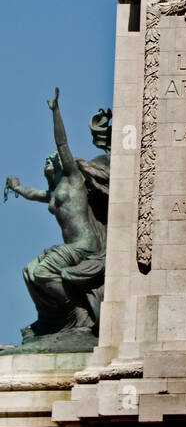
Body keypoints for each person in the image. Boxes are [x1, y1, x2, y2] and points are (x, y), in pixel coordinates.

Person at [4, 90, 108, 340]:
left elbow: (62, 144)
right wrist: (16, 187)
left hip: (84, 245)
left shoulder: (72, 180)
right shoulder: (53, 193)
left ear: (61, 165)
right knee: (29, 271)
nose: (46, 164)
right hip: (71, 246)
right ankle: (54, 320)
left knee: (43, 272)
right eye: (45, 163)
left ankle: (78, 314)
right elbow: (34, 194)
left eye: (51, 161)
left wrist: (55, 112)